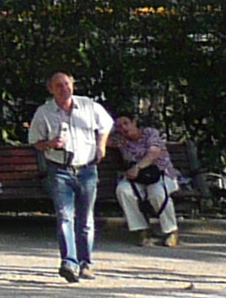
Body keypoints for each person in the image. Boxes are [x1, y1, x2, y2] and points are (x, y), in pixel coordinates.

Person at [30, 71, 115, 282]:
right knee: (65, 216)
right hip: (60, 169)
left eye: (67, 84)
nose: (64, 88)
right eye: (58, 85)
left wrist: (101, 146)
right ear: (51, 89)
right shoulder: (44, 112)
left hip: (86, 168)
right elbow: (35, 141)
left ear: (73, 86)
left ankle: (86, 263)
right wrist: (50, 144)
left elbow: (106, 124)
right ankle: (69, 262)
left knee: (85, 218)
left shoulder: (88, 106)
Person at [110, 113, 180, 247]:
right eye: (119, 126)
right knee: (123, 190)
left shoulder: (150, 133)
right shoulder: (120, 139)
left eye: (126, 123)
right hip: (137, 179)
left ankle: (171, 231)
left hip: (160, 174)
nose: (123, 128)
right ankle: (142, 230)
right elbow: (101, 139)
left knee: (157, 193)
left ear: (134, 122)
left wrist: (138, 167)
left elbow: (154, 152)